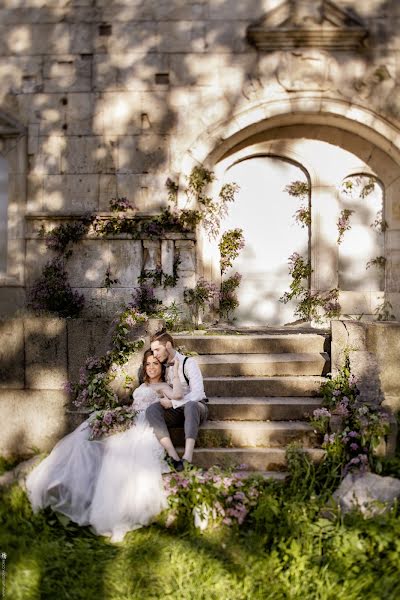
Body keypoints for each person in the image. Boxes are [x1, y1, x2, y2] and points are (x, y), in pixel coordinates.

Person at [26, 349, 181, 542]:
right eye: (148, 364)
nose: (151, 367)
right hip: (129, 418)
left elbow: (178, 395)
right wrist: (118, 417)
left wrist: (174, 378)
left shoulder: (163, 386)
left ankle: (114, 512)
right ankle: (64, 485)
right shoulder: (143, 385)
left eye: (155, 364)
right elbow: (134, 406)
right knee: (87, 431)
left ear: (161, 366)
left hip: (145, 424)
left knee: (120, 451)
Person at [146, 329, 208, 472]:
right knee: (152, 410)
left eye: (157, 350)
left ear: (168, 345)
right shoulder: (165, 368)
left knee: (191, 405)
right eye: (153, 351)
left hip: (197, 409)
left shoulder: (189, 363)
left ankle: (187, 458)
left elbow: (198, 393)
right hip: (176, 412)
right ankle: (173, 457)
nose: (154, 354)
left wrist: (174, 403)